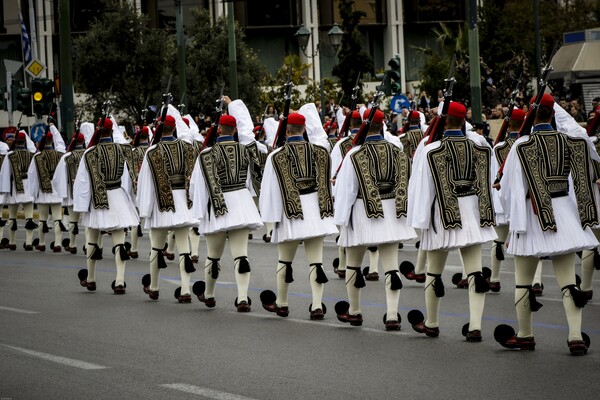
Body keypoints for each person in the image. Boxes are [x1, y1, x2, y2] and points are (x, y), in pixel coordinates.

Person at [496, 93, 599, 356]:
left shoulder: (521, 146)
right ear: (553, 114)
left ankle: (525, 335)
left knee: (523, 282)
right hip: (564, 213)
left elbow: (509, 191)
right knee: (568, 281)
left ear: (531, 115)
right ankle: (575, 336)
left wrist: (511, 220)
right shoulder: (571, 141)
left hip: (532, 218)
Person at [407, 101, 496, 342]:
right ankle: (476, 326)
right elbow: (489, 182)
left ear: (445, 121)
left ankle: (432, 323)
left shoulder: (430, 150)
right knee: (475, 272)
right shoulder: (482, 146)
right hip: (474, 216)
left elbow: (424, 191)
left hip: (443, 217)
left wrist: (421, 224)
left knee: (433, 274)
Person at [333, 108, 416, 330]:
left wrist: (341, 220)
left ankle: (355, 311)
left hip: (363, 212)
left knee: (353, 264)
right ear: (383, 125)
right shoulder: (398, 151)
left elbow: (347, 191)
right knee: (391, 266)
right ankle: (391, 315)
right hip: (392, 213)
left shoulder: (354, 154)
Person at [259, 112, 337, 320]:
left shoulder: (276, 156)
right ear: (304, 129)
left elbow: (269, 191)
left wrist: (271, 220)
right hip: (316, 213)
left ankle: (282, 303)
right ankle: (317, 305)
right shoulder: (321, 152)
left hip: (289, 213)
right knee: (316, 262)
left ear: (286, 130)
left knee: (285, 261)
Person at [191, 102, 264, 312]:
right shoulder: (245, 150)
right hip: (241, 202)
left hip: (218, 204)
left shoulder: (206, 154)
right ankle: (242, 298)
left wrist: (199, 212)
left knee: (213, 255)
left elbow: (198, 185)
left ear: (220, 129)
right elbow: (253, 179)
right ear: (235, 130)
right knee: (241, 255)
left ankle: (210, 294)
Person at [137, 115, 198, 302]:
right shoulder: (188, 148)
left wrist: (144, 211)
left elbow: (146, 184)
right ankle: (186, 289)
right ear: (174, 128)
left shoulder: (153, 151)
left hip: (161, 204)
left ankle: (154, 287)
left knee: (156, 247)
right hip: (183, 202)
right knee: (184, 248)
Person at [74, 117, 139, 294]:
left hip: (98, 199)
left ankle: (91, 278)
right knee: (119, 242)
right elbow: (130, 175)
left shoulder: (90, 153)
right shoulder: (123, 149)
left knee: (92, 240)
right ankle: (119, 280)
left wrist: (81, 206)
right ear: (112, 131)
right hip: (117, 195)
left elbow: (83, 182)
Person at [488, 108, 526, 292]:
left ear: (508, 124)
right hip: (524, 200)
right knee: (530, 241)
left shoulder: (499, 148)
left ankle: (495, 278)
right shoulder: (527, 143)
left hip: (502, 199)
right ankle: (534, 281)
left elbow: (494, 176)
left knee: (498, 241)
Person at [52, 123, 93, 254]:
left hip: (72, 194)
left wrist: (63, 193)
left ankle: (72, 244)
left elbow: (58, 178)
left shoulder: (66, 157)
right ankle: (87, 245)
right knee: (86, 221)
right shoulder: (89, 154)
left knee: (73, 220)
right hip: (87, 193)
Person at [27, 125, 66, 252]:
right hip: (56, 191)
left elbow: (32, 175)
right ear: (52, 141)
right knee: (57, 219)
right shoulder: (60, 154)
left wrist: (33, 192)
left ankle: (42, 243)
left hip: (43, 191)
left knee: (42, 219)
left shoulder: (37, 157)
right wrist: (53, 127)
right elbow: (61, 144)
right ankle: (58, 244)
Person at [0, 129, 38, 251]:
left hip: (14, 187)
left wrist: (4, 191)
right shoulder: (31, 154)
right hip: (27, 187)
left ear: (16, 141)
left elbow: (5, 174)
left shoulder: (9, 155)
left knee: (12, 216)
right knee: (29, 217)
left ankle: (12, 242)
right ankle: (28, 242)